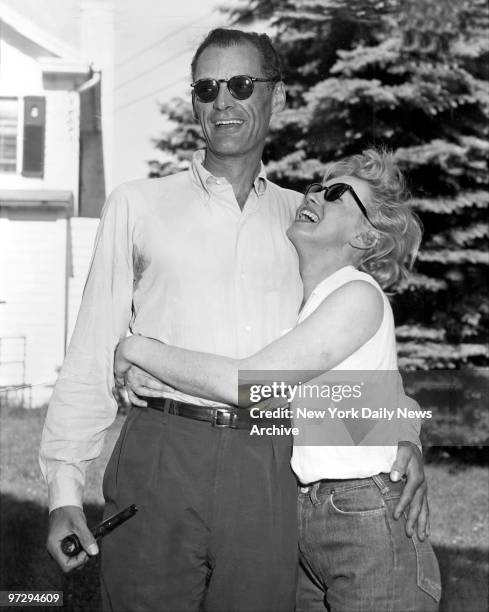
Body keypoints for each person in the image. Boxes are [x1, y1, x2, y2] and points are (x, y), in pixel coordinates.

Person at [40, 28, 428, 612]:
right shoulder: (137, 204)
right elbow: (92, 350)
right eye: (206, 87)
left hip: (269, 460)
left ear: (276, 97)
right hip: (162, 451)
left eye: (241, 84)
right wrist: (63, 489)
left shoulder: (304, 223)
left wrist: (404, 437)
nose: (222, 101)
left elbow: (344, 363)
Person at [114, 149, 441, 611]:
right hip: (311, 516)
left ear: (367, 236)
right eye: (316, 186)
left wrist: (137, 348)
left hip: (365, 519)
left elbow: (248, 386)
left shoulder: (357, 296)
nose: (315, 195)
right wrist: (406, 435)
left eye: (337, 195)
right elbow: (369, 398)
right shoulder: (309, 305)